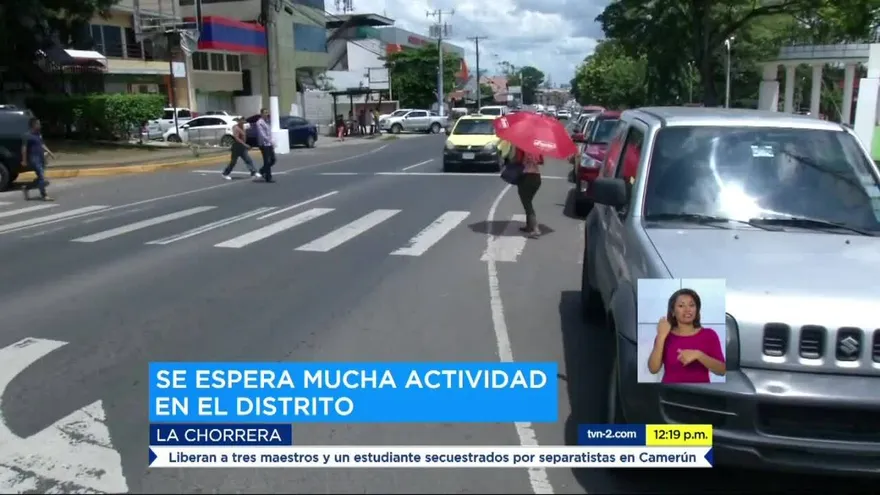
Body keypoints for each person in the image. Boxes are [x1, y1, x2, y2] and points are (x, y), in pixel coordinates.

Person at [647, 288, 726, 384]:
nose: (688, 310)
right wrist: (661, 336)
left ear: (697, 310)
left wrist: (699, 355)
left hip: (701, 394)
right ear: (673, 312)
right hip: (670, 394)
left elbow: (722, 370)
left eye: (692, 305)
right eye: (681, 306)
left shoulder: (709, 335)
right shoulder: (664, 335)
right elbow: (653, 369)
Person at [21, 117, 55, 201]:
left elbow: (42, 144)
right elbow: (24, 149)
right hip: (34, 158)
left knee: (40, 177)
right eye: (38, 124)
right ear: (33, 125)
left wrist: (50, 153)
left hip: (41, 157)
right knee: (41, 176)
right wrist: (24, 160)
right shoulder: (27, 135)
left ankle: (26, 187)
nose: (40, 125)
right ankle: (44, 195)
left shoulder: (38, 134)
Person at [514, 147, 544, 237]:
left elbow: (518, 160)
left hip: (526, 177)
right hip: (536, 177)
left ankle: (535, 228)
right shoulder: (538, 147)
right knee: (528, 200)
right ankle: (529, 226)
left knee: (527, 202)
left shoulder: (520, 146)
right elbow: (541, 161)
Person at [255, 108, 275, 183]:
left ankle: (262, 170)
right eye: (265, 113)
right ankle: (268, 177)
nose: (267, 114)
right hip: (263, 144)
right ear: (261, 114)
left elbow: (269, 133)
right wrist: (269, 140)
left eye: (267, 112)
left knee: (273, 160)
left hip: (269, 143)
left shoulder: (267, 121)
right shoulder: (259, 123)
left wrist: (272, 141)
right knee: (267, 160)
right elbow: (262, 134)